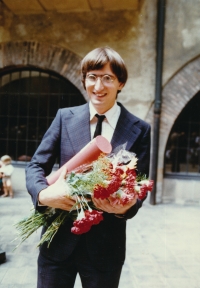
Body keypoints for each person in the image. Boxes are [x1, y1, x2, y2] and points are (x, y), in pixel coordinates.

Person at [26, 47, 151, 288]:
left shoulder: (140, 129)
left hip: (106, 249)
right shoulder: (64, 117)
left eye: (107, 78)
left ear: (120, 83)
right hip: (58, 242)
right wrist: (43, 194)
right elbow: (35, 165)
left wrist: (125, 207)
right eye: (92, 77)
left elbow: (139, 186)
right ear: (84, 80)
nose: (98, 86)